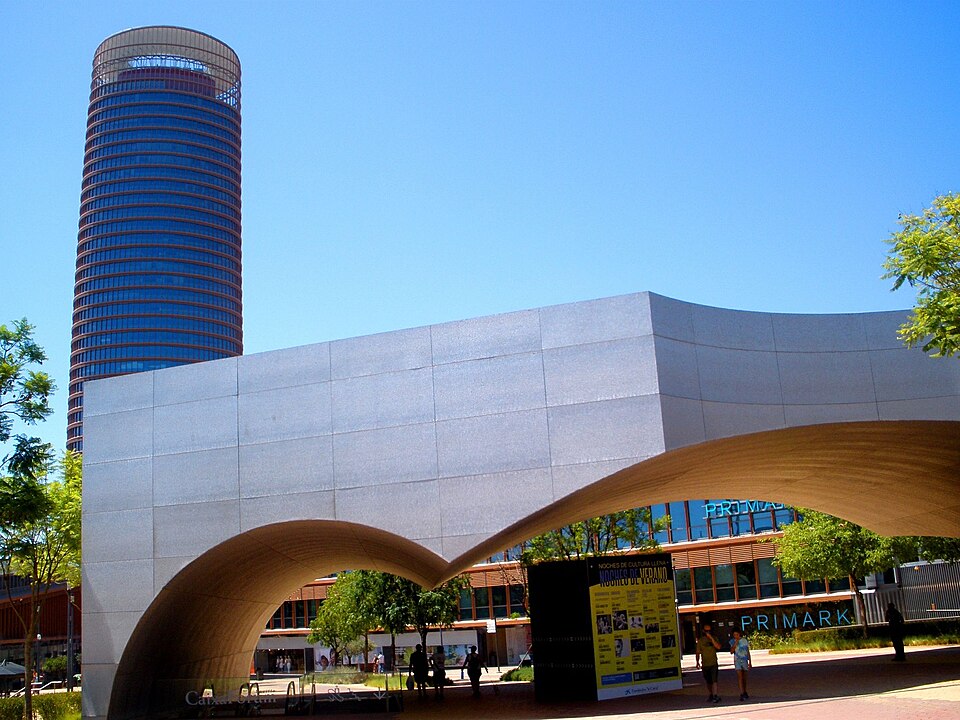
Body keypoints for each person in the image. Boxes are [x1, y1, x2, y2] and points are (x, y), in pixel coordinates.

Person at [695, 622, 722, 703]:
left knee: (714, 680)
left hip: (713, 663)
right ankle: (711, 694)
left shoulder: (714, 638)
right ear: (703, 631)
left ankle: (715, 695)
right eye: (706, 631)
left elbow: (718, 647)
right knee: (708, 681)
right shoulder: (700, 641)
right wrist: (697, 662)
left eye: (709, 631)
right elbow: (697, 652)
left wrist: (711, 639)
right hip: (705, 664)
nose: (708, 632)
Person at [731, 629, 752, 700]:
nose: (735, 636)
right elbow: (731, 651)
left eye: (737, 634)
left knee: (744, 677)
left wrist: (750, 662)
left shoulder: (744, 641)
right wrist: (735, 643)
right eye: (734, 635)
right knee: (740, 677)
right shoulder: (732, 641)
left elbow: (747, 651)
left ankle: (745, 690)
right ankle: (742, 693)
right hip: (737, 660)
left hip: (744, 660)